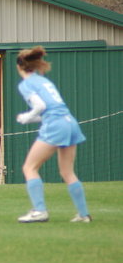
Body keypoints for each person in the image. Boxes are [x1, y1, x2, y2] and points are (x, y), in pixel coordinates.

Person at [15, 46, 91, 223]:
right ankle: (83, 214)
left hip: (55, 125)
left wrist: (27, 116)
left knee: (29, 167)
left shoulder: (26, 84)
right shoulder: (44, 81)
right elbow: (50, 110)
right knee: (67, 172)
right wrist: (29, 118)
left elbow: (40, 106)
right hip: (69, 122)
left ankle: (40, 211)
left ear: (19, 66)